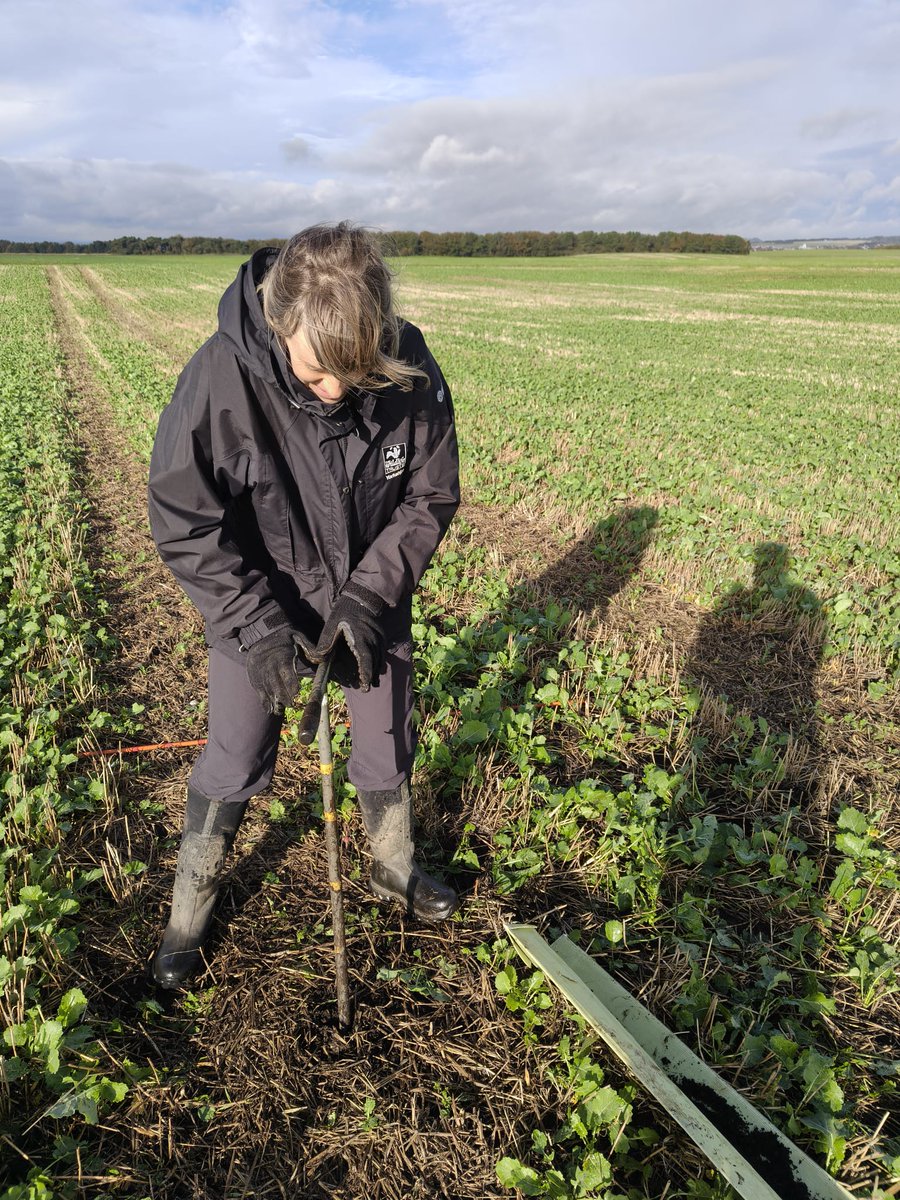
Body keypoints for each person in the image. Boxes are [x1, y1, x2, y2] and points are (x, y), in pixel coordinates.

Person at [147, 222, 460, 989]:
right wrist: (255, 628)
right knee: (235, 754)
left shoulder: (407, 363)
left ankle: (394, 867)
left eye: (356, 373)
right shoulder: (221, 378)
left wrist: (368, 594)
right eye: (320, 372)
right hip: (258, 605)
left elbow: (429, 495)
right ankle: (189, 911)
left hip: (369, 596)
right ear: (283, 325)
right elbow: (185, 518)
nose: (338, 392)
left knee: (387, 741)